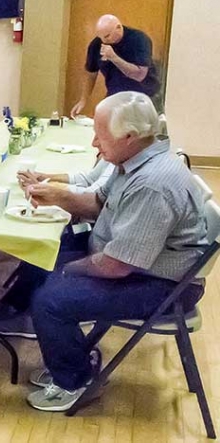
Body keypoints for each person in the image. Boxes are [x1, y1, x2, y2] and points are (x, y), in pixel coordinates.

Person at [17, 92, 207, 412]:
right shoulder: (132, 161)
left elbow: (117, 265)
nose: (93, 142)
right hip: (133, 263)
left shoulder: (152, 183)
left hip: (164, 285)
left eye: (100, 135)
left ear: (129, 137)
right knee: (41, 257)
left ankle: (73, 380)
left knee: (50, 299)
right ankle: (73, 355)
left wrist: (67, 270)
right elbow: (97, 203)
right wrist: (56, 195)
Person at [0, 158, 116, 338]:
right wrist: (46, 182)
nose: (95, 142)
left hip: (105, 247)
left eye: (101, 134)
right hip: (100, 237)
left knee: (48, 248)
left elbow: (91, 199)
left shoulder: (136, 172)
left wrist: (49, 191)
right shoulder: (122, 162)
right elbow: (91, 184)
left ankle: (30, 315)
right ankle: (17, 304)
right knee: (47, 244)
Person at [71, 15, 159, 117]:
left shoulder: (139, 40)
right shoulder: (96, 44)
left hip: (144, 95)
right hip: (116, 94)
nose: (104, 40)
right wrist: (83, 100)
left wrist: (114, 58)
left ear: (118, 28)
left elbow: (140, 75)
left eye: (107, 36)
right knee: (104, 121)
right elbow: (91, 74)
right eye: (101, 37)